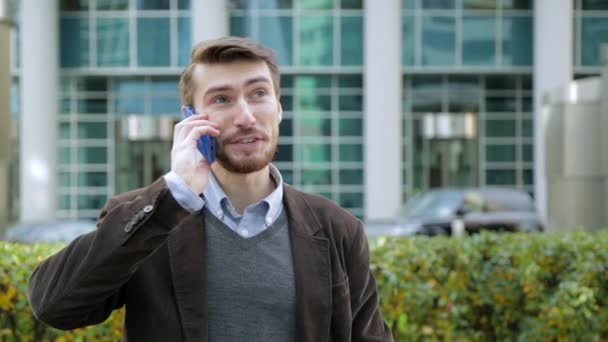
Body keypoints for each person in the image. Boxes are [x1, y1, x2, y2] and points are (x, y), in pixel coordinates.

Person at [28, 36, 392, 342]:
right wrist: (174, 193)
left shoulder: (337, 228)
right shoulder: (150, 219)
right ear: (190, 118)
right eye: (221, 99)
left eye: (259, 94)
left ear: (279, 109)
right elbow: (55, 306)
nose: (246, 116)